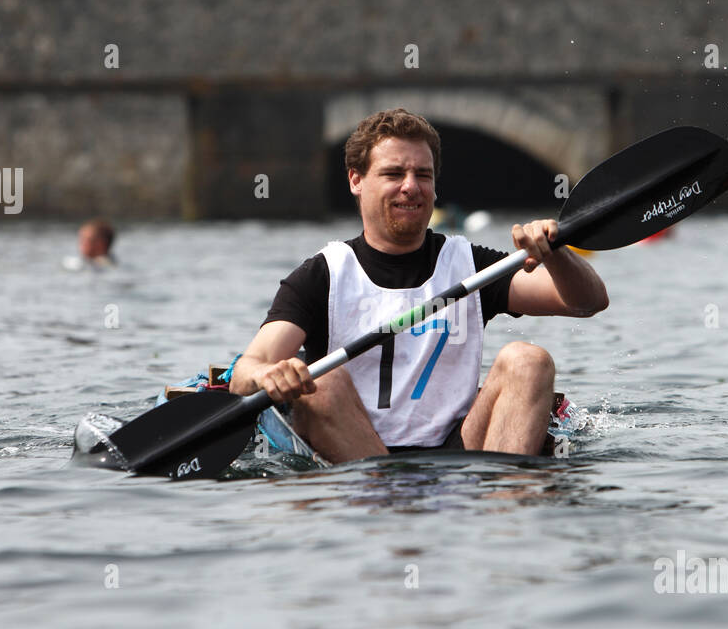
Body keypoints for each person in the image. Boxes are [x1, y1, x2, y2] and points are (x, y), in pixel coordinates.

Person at [228, 108, 609, 462]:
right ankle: (386, 497)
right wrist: (268, 375)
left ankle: (503, 513)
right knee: (321, 380)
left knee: (529, 360)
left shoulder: (471, 265)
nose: (411, 187)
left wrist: (556, 251)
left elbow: (587, 302)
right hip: (356, 455)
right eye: (394, 174)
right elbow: (246, 370)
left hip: (460, 451)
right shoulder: (322, 275)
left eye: (423, 175)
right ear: (356, 180)